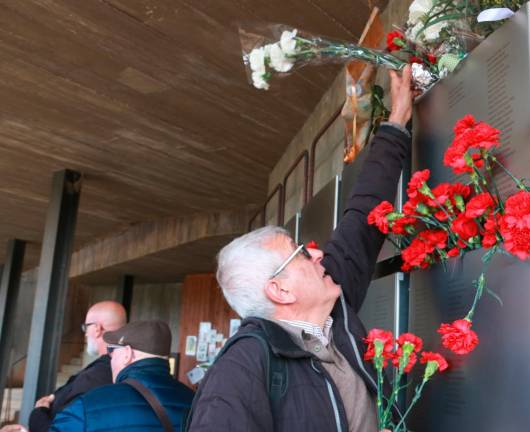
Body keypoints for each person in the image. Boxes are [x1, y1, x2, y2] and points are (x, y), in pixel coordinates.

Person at [186, 66, 414, 432]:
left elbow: (363, 218)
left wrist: (396, 123)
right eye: (302, 254)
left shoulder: (332, 312)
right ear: (280, 289)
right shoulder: (240, 372)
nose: (320, 253)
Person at [49, 320, 194, 432]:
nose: (110, 357)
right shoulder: (194, 400)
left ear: (127, 354)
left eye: (112, 350)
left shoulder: (87, 405)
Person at [9, 301, 127, 432]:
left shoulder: (100, 373)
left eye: (86, 327)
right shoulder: (121, 369)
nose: (86, 333)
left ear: (97, 328)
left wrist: (39, 411)